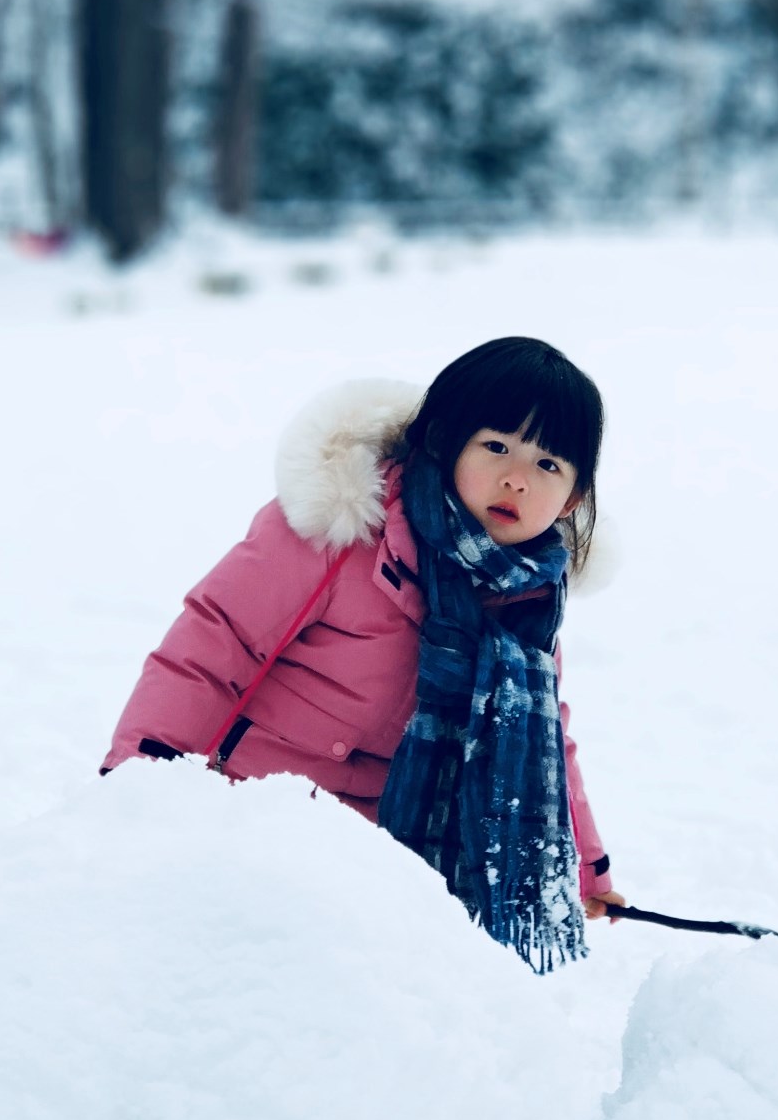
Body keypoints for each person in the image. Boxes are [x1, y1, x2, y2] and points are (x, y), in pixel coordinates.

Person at [101, 336, 625, 970]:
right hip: (244, 830)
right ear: (445, 439)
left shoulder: (525, 608)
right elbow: (213, 646)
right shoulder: (344, 531)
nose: (516, 477)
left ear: (571, 500)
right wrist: (140, 781)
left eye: (549, 466)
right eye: (496, 447)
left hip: (376, 870)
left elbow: (546, 750)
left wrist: (586, 870)